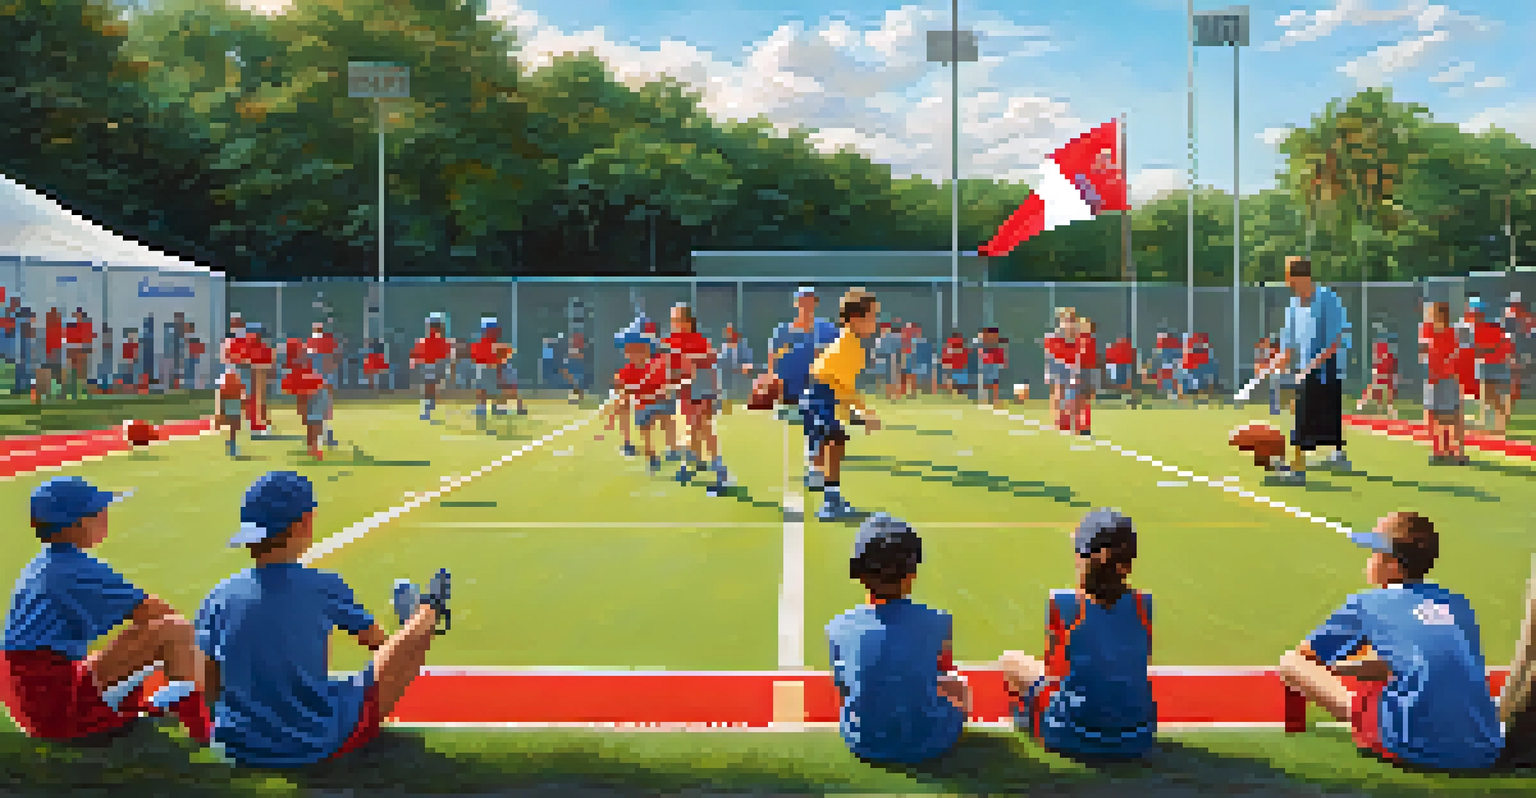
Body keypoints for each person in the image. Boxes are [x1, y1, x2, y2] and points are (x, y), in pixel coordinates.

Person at [197, 471, 450, 768]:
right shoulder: (324, 585)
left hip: (238, 744)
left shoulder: (217, 596)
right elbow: (379, 645)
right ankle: (427, 612)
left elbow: (210, 684)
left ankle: (421, 616)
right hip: (315, 741)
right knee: (400, 652)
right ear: (304, 523)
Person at [1277, 512, 1507, 770]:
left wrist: (1333, 670)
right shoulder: (1458, 602)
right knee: (1400, 669)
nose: (1369, 561)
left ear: (1392, 565)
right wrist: (1344, 668)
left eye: (1375, 553)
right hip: (1484, 747)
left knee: (1291, 662)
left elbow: (1307, 656)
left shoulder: (1366, 603)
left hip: (1411, 745)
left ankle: (1349, 720)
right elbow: (1419, 659)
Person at [1, 477, 211, 743]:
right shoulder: (74, 567)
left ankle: (173, 705)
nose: (106, 516)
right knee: (175, 632)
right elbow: (158, 614)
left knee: (155, 650)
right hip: (49, 702)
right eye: (99, 511)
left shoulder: (45, 562)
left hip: (27, 696)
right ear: (78, 523)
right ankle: (201, 730)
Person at [999, 509, 1155, 760]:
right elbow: (1138, 663)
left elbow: (1054, 675)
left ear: (1081, 556)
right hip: (1137, 738)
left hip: (1070, 736)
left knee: (1011, 661)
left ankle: (1027, 720)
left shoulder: (1064, 605)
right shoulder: (1144, 605)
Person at [825, 514, 966, 764]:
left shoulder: (837, 627)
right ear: (912, 574)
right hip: (932, 742)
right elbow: (941, 676)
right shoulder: (939, 621)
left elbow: (844, 688)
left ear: (858, 573)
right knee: (959, 687)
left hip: (862, 742)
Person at [803, 290, 882, 521]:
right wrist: (866, 414)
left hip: (821, 393)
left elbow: (839, 384)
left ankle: (824, 485)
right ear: (856, 319)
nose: (876, 322)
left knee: (833, 441)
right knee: (835, 442)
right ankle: (830, 502)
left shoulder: (850, 342)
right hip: (821, 394)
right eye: (873, 316)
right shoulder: (851, 346)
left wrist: (855, 414)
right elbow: (844, 389)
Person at [1271, 257, 1351, 484]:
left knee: (1310, 413)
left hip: (1329, 365)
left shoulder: (1328, 299)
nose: (1288, 285)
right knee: (1303, 410)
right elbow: (1288, 344)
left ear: (1301, 278)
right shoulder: (1293, 306)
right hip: (1308, 368)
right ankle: (1333, 456)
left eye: (1290, 279)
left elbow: (1336, 341)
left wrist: (1310, 366)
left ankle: (1298, 469)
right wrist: (1277, 361)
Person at [767, 288, 841, 492]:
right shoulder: (783, 330)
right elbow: (774, 357)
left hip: (819, 385)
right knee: (811, 426)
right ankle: (815, 465)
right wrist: (775, 383)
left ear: (815, 303)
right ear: (796, 303)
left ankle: (815, 469)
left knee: (817, 425)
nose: (805, 304)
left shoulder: (826, 329)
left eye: (809, 300)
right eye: (802, 300)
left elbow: (838, 354)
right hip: (792, 385)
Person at [665, 304, 729, 494]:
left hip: (702, 388)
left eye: (677, 319)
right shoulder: (671, 341)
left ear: (687, 321)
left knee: (703, 427)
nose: (674, 324)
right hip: (685, 391)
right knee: (691, 428)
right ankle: (695, 462)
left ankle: (718, 469)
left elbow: (710, 361)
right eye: (673, 320)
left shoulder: (700, 340)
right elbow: (672, 367)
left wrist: (716, 391)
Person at [1420, 302, 1468, 466]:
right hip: (1434, 379)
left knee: (1451, 416)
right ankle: (1439, 451)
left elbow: (1453, 357)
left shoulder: (1451, 333)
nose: (1430, 317)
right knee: (1435, 416)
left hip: (1446, 379)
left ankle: (1457, 453)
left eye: (1433, 313)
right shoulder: (1428, 331)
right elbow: (1424, 353)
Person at [1466, 295, 1514, 434]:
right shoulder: (1473, 328)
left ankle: (1500, 421)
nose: (1473, 315)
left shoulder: (1491, 327)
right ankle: (1494, 424)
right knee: (1487, 395)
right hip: (1485, 364)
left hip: (1496, 364)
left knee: (1490, 395)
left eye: (1475, 312)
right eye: (1472, 312)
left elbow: (1495, 346)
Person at [410, 313, 452, 422]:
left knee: (430, 389)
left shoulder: (442, 342)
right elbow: (417, 354)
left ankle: (427, 408)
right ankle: (427, 409)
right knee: (430, 389)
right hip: (430, 366)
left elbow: (447, 355)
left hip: (435, 366)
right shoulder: (425, 341)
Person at [1357, 339, 1399, 419]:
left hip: (1387, 379)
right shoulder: (1379, 361)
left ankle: (1389, 410)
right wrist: (1375, 378)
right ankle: (1363, 405)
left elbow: (1391, 373)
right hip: (1380, 378)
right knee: (1373, 390)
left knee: (1387, 392)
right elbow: (1376, 373)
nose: (1375, 353)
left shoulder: (1389, 359)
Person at [216, 364, 246, 458]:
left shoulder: (233, 376)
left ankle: (231, 443)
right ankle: (232, 445)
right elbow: (222, 393)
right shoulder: (229, 376)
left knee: (234, 426)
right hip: (230, 402)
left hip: (233, 402)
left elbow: (241, 391)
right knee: (233, 426)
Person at [1103, 335, 1138, 408]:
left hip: (1124, 365)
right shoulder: (1118, 347)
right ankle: (1129, 399)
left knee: (1126, 385)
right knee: (1123, 385)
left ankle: (1131, 400)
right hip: (1121, 365)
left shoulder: (1124, 347)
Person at [977, 328, 1008, 407]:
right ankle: (985, 399)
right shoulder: (985, 341)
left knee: (994, 382)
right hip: (987, 362)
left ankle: (994, 399)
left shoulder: (997, 344)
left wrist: (1003, 362)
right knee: (986, 382)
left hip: (993, 362)